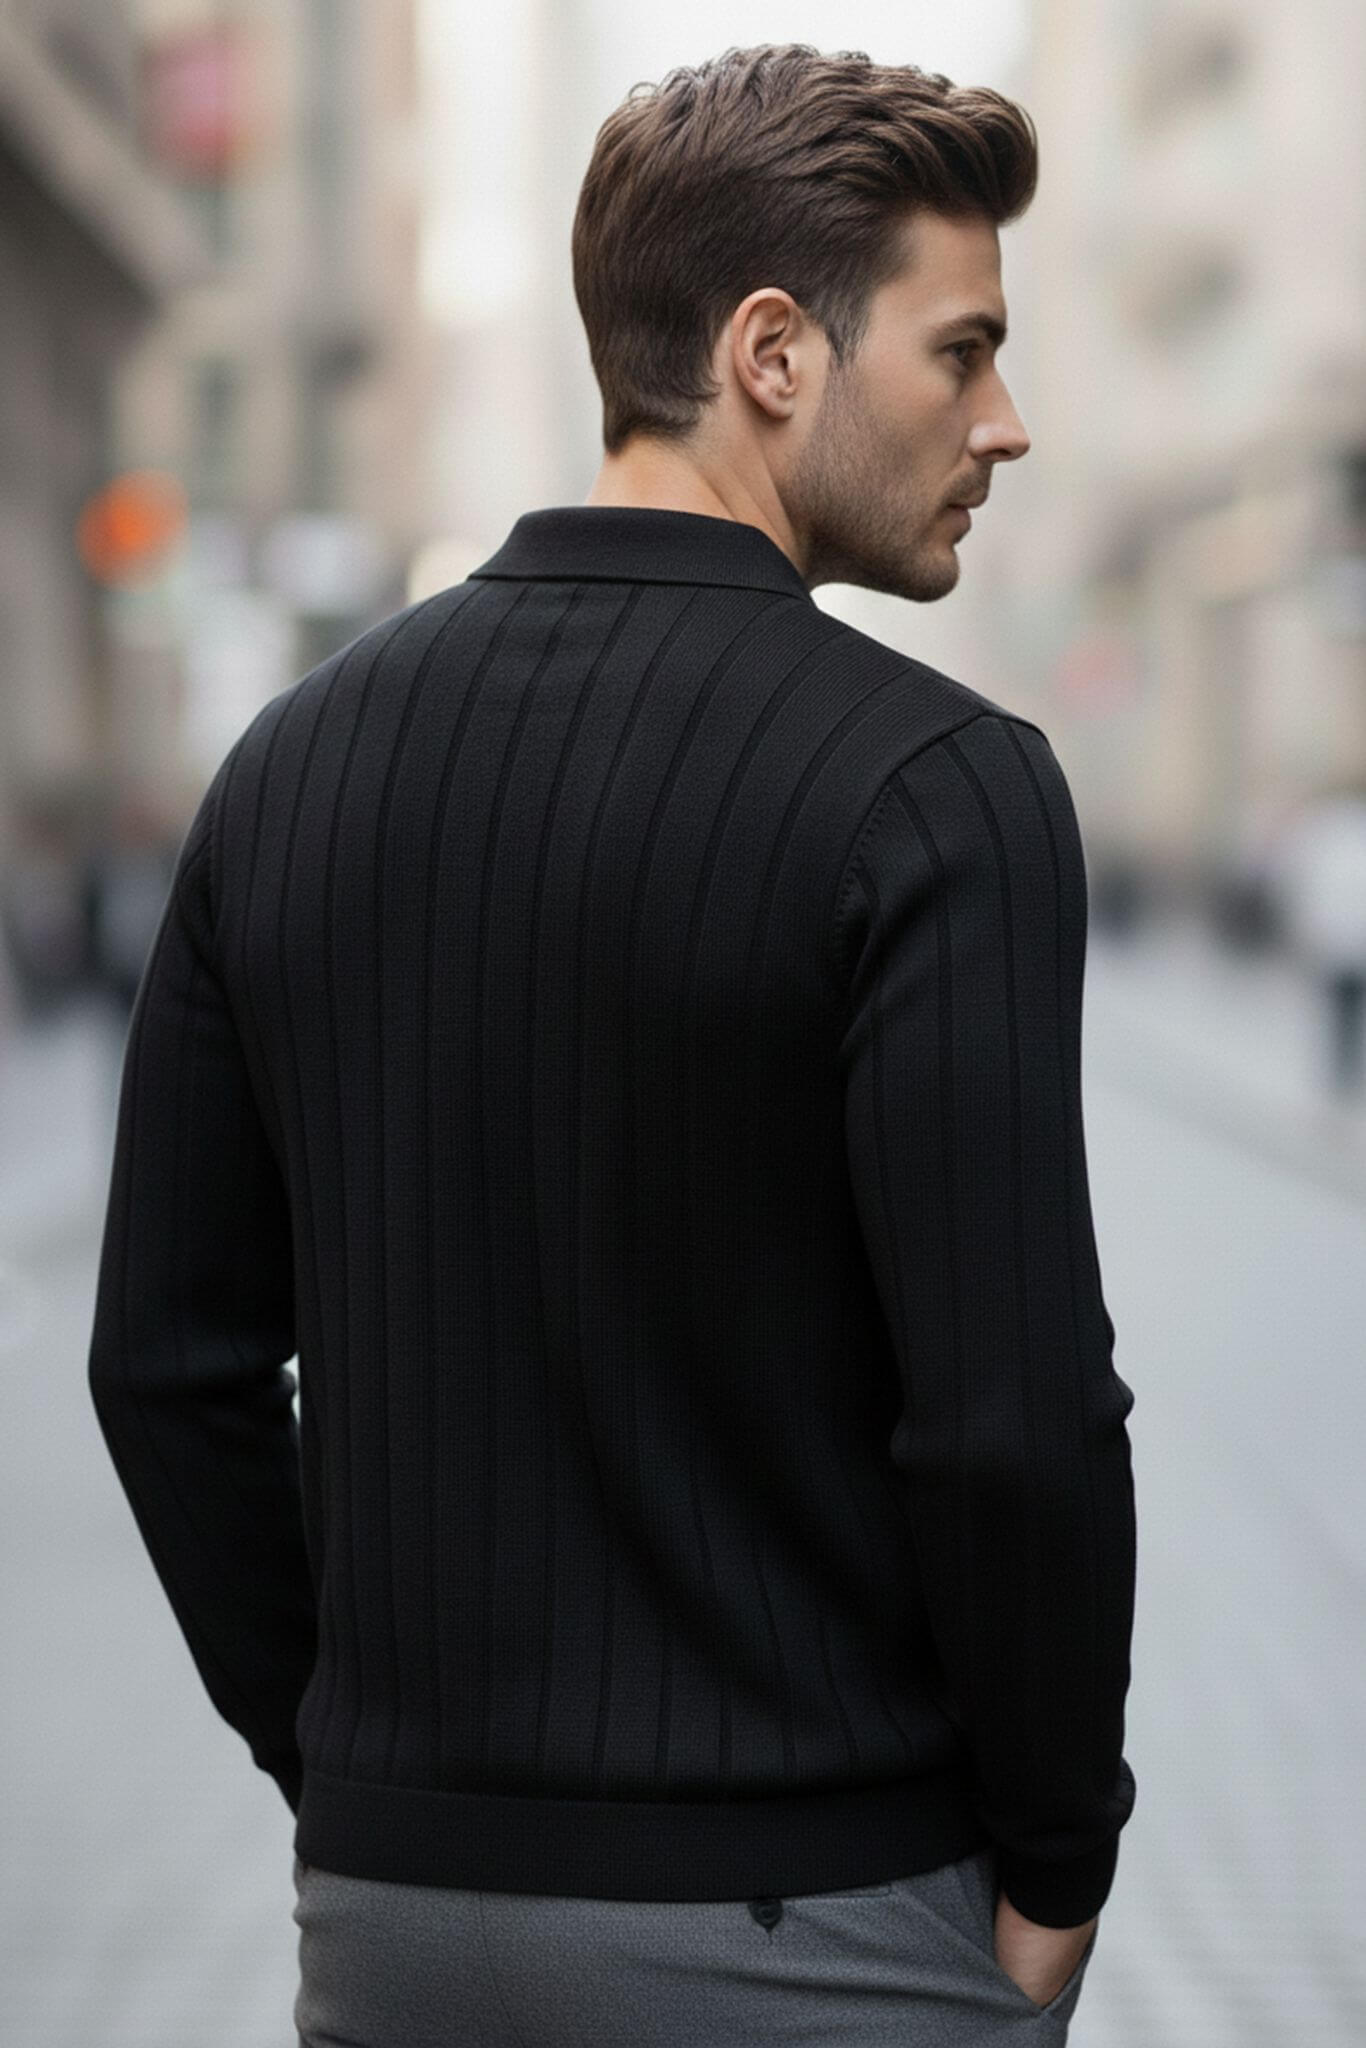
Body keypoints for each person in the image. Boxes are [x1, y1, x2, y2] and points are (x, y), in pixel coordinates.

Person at [86, 42, 1137, 2046]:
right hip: (809, 1924)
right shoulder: (939, 787)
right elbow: (1007, 1419)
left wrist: (353, 1770)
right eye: (961, 349)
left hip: (391, 1931)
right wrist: (1055, 1863)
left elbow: (163, 1364)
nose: (1002, 424)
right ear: (770, 351)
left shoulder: (284, 769)